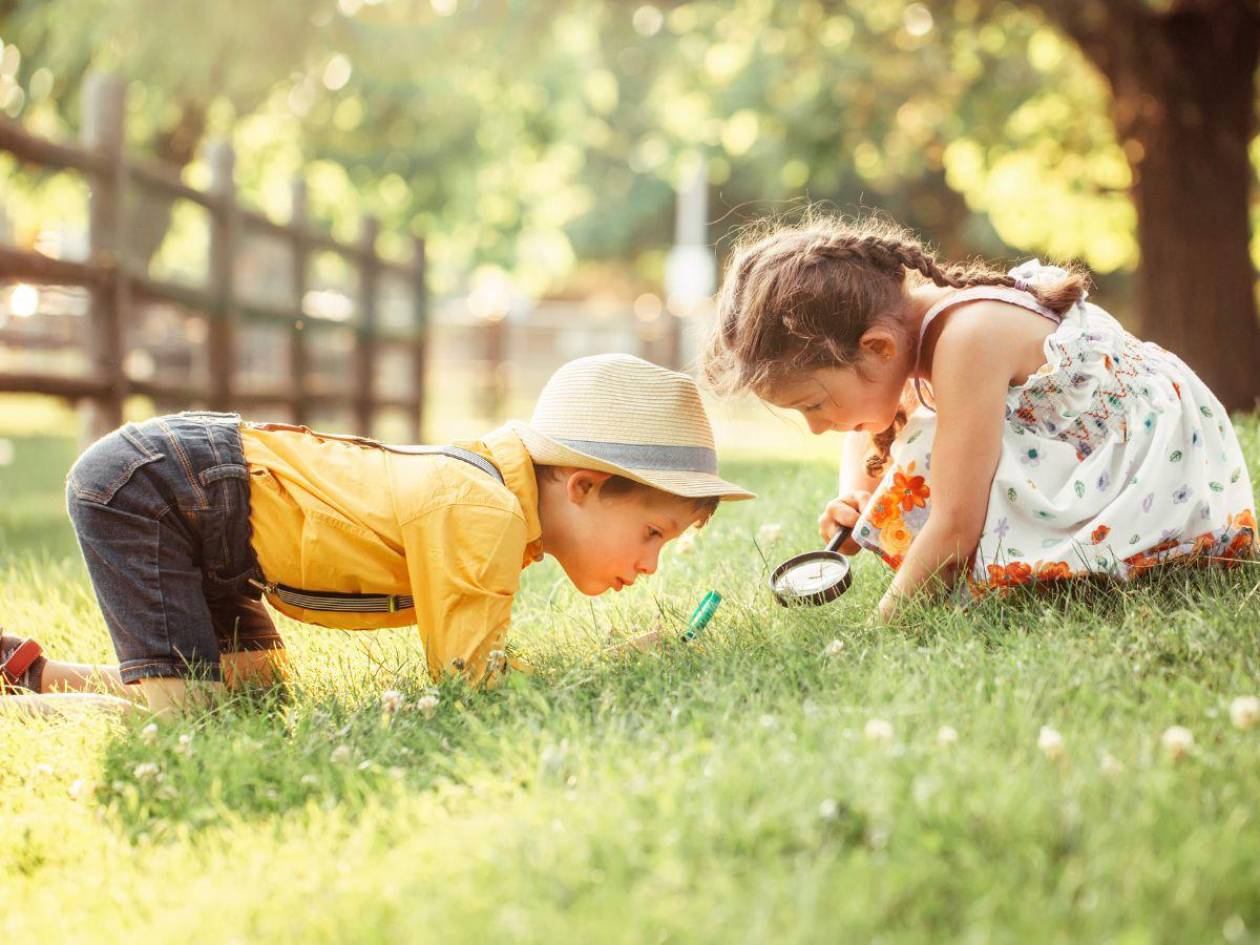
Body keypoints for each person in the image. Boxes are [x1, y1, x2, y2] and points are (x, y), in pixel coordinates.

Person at [1, 354, 753, 715]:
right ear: (583, 487)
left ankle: (32, 672)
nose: (652, 564)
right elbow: (467, 687)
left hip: (213, 506)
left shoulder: (503, 509)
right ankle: (22, 714)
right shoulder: (484, 511)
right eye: (653, 532)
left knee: (255, 695)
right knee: (186, 720)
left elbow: (478, 656)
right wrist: (609, 672)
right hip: (164, 486)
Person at [704, 214, 1257, 620]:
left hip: (1153, 462)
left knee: (936, 457)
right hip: (1103, 444)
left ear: (876, 348)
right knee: (926, 444)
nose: (817, 427)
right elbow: (874, 426)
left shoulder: (968, 339)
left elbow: (954, 524)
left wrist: (882, 626)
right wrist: (857, 495)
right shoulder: (909, 328)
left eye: (814, 405)